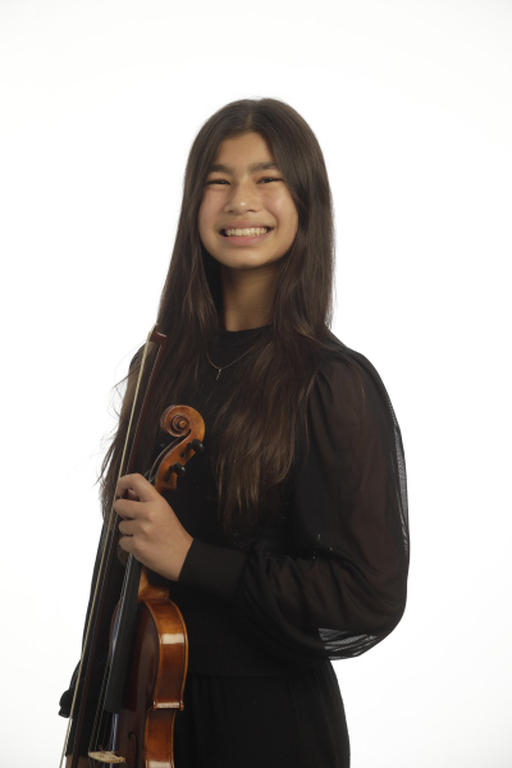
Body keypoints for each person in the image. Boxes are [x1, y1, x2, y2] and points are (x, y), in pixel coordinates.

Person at [60, 98, 409, 767]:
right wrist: (93, 700)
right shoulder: (158, 364)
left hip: (266, 726)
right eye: (218, 181)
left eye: (266, 178)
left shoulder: (331, 382)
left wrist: (191, 558)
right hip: (135, 711)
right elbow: (121, 557)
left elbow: (368, 594)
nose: (240, 200)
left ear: (305, 202)